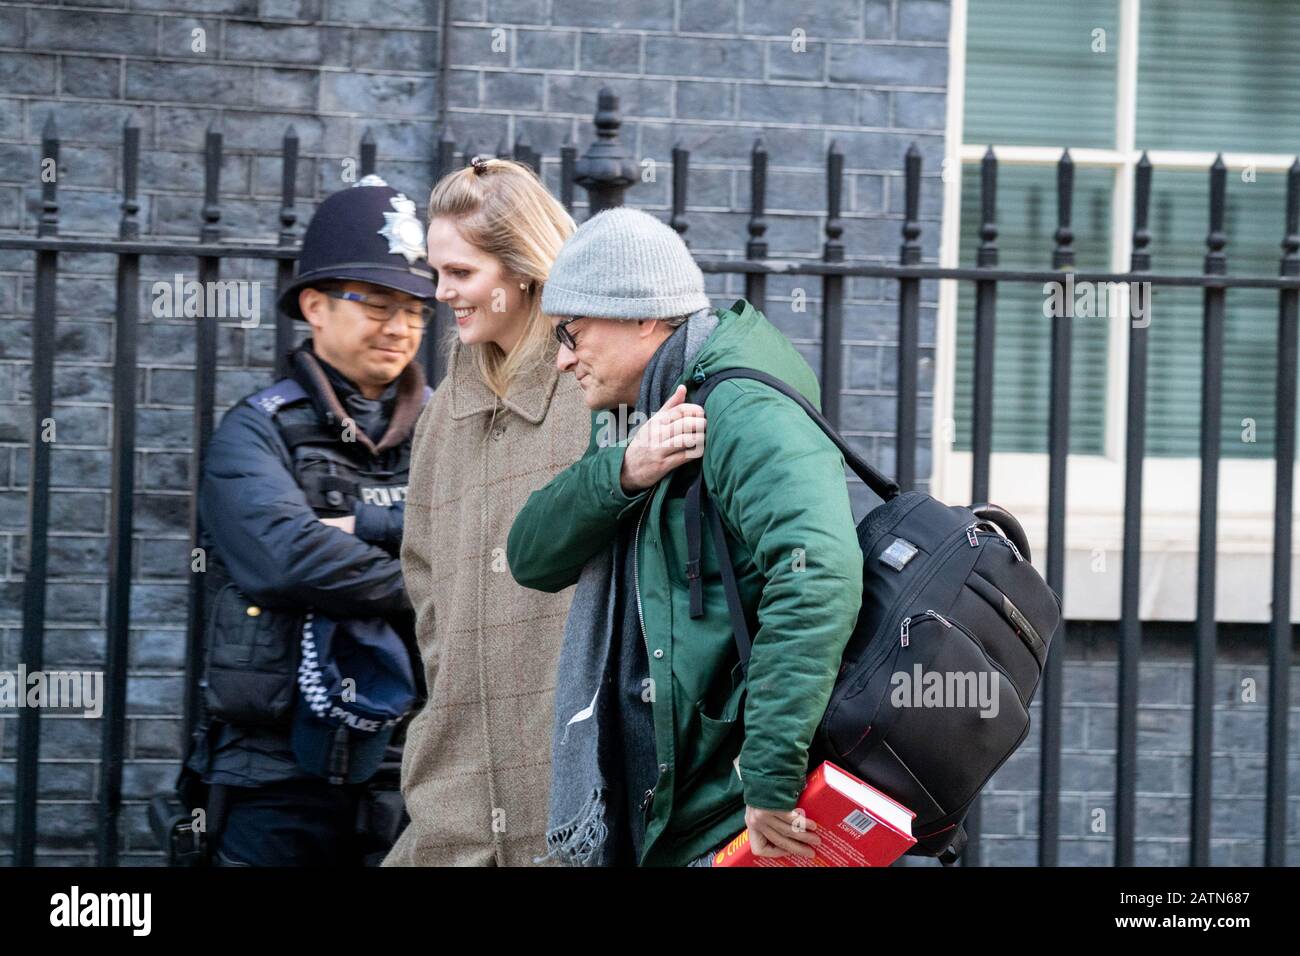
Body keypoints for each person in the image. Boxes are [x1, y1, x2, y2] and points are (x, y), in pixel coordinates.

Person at [506, 206, 865, 867]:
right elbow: (529, 555)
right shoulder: (643, 409)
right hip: (667, 813)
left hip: (724, 819)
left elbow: (818, 574)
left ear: (643, 316)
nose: (561, 360)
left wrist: (768, 777)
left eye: (572, 332)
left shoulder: (740, 405)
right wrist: (625, 470)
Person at [185, 174, 435, 866]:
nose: (400, 327)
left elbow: (498, 549)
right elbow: (285, 559)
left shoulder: (451, 431)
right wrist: (436, 571)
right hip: (273, 772)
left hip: (415, 766)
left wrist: (371, 530)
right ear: (315, 306)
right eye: (378, 303)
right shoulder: (255, 431)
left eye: (416, 309)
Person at [382, 157, 590, 866]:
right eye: (437, 272)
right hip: (454, 789)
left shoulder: (594, 395)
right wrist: (455, 680)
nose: (440, 294)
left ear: (525, 269)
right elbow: (423, 570)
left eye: (461, 274)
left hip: (572, 789)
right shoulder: (444, 413)